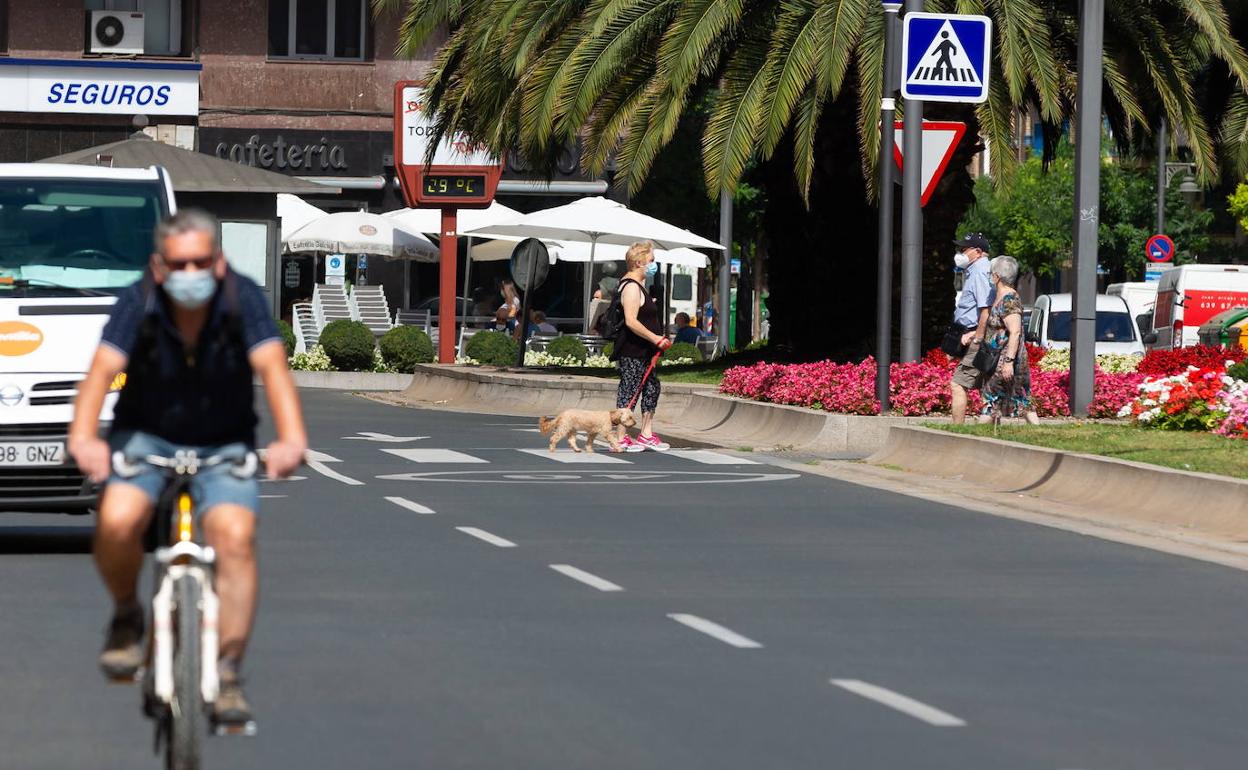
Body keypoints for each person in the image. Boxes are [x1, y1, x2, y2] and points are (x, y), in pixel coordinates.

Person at [68, 209, 307, 726]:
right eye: (180, 264)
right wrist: (84, 438)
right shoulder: (140, 300)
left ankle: (227, 673)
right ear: (159, 266)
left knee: (234, 538)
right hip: (146, 436)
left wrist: (292, 439)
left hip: (224, 441)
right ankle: (128, 615)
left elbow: (272, 368)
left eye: (202, 261)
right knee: (116, 521)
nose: (191, 273)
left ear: (219, 262)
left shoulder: (242, 298)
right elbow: (101, 373)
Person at [613, 241, 672, 452]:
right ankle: (620, 437)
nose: (654, 264)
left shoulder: (638, 287)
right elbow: (631, 320)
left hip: (644, 351)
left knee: (651, 388)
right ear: (639, 262)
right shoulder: (630, 287)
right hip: (633, 350)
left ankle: (646, 434)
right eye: (652, 260)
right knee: (630, 391)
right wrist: (655, 338)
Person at [980, 256, 1041, 425]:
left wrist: (1008, 362)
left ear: (997, 276)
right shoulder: (1001, 297)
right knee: (1022, 399)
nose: (990, 276)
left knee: (991, 399)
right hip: (998, 359)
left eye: (991, 273)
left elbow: (1015, 332)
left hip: (1005, 360)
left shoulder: (1009, 300)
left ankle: (972, 438)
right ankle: (1037, 432)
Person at [949, 232, 994, 424]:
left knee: (958, 384)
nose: (960, 253)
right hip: (971, 332)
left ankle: (957, 430)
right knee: (986, 383)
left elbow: (985, 308)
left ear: (977, 251)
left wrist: (977, 336)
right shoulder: (976, 269)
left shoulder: (980, 271)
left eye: (963, 249)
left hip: (976, 334)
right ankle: (989, 425)